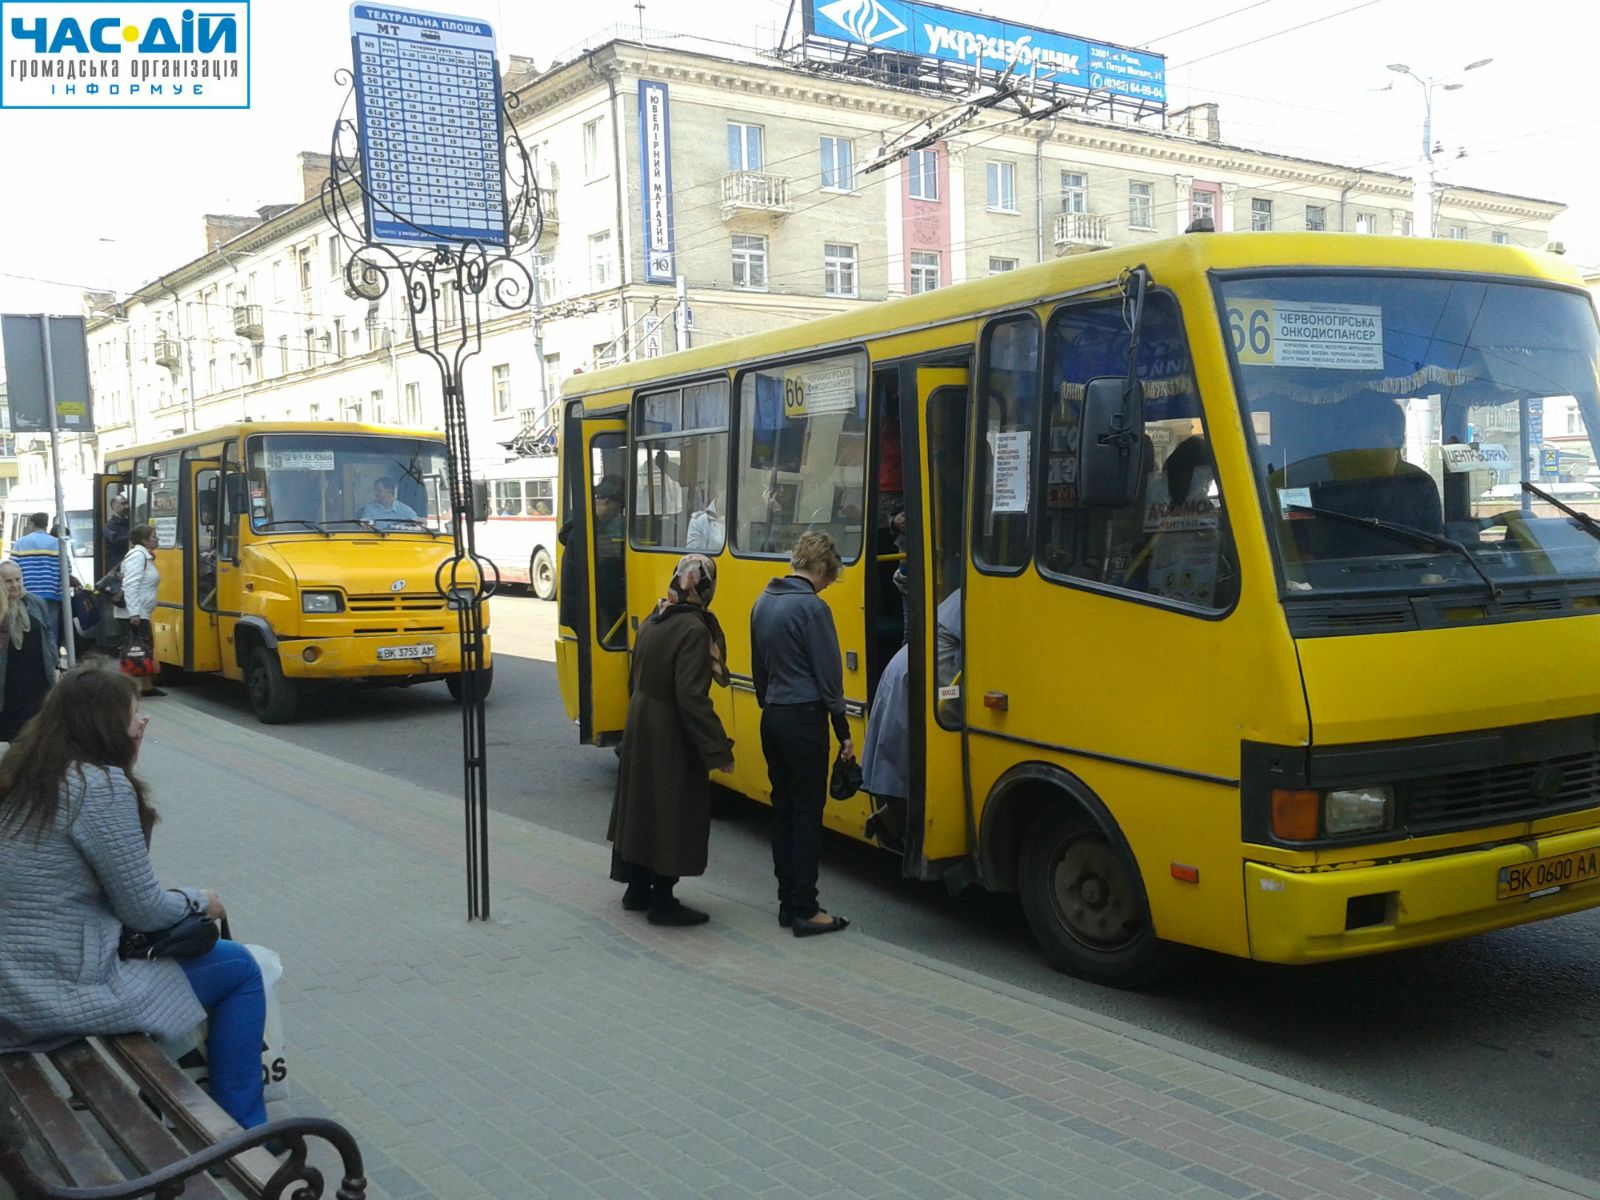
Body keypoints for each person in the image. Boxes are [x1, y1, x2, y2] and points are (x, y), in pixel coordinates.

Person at [0, 663, 269, 1130]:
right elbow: (143, 910)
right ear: (103, 725)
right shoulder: (97, 786)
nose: (142, 722)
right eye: (133, 713)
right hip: (53, 995)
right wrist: (202, 900)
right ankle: (246, 1135)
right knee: (240, 968)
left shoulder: (23, 773)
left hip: (14, 983)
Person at [607, 553, 735, 926]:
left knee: (642, 806)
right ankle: (663, 901)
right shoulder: (693, 630)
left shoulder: (655, 618)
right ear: (706, 589)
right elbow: (691, 697)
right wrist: (717, 749)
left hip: (642, 723)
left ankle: (636, 889)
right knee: (671, 809)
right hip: (670, 733)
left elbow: (634, 677)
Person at [750, 531, 854, 937]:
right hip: (805, 719)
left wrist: (770, 702)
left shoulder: (763, 601)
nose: (828, 585)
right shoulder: (813, 608)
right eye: (830, 577)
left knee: (783, 811)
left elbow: (759, 669)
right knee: (808, 814)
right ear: (821, 567)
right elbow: (829, 677)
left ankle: (787, 903)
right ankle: (807, 910)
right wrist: (842, 730)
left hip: (773, 716)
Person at [860, 588, 963, 852]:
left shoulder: (963, 593)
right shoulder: (980, 597)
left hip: (908, 667)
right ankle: (901, 824)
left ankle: (891, 816)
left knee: (903, 755)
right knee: (918, 756)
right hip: (921, 675)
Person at [0, 560, 57, 742]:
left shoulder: (36, 602)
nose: (15, 585)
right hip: (8, 680)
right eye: (8, 581)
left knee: (37, 728)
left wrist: (54, 661)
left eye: (18, 579)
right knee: (13, 730)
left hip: (36, 677)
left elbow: (48, 632)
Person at [117, 524, 165, 698]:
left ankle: (146, 687)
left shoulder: (145, 556)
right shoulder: (138, 556)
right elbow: (130, 584)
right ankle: (128, 688)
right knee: (135, 650)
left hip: (142, 611)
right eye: (154, 536)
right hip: (135, 613)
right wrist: (134, 613)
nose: (157, 539)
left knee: (144, 649)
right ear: (144, 541)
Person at [12, 512, 64, 652]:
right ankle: (52, 658)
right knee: (50, 629)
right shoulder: (57, 544)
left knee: (28, 627)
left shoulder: (20, 543)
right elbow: (67, 569)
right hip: (52, 594)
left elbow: (13, 568)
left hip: (27, 594)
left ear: (32, 524)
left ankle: (33, 656)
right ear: (46, 524)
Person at [104, 493, 132, 567]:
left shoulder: (130, 523)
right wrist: (134, 536)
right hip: (117, 565)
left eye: (127, 504)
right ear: (114, 506)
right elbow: (116, 540)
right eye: (123, 504)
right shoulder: (109, 526)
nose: (127, 506)